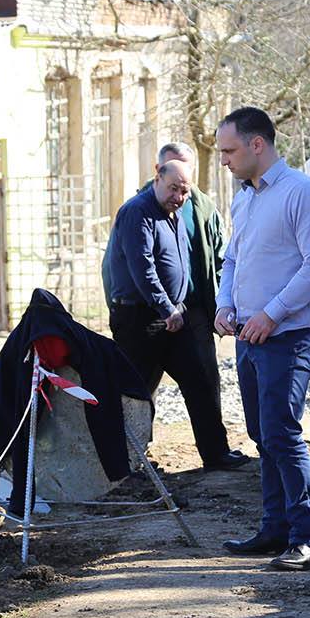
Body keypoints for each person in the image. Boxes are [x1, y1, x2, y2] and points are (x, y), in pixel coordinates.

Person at [213, 106, 310, 572]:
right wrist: (226, 305)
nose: (224, 160)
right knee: (263, 434)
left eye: (229, 150)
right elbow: (232, 261)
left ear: (256, 144)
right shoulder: (243, 198)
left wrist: (272, 314)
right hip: (248, 333)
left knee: (282, 433)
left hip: (289, 334)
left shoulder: (303, 194)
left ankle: (307, 536)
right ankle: (275, 527)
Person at [106, 157, 245, 470]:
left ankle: (216, 453)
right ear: (157, 177)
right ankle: (125, 462)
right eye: (173, 189)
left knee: (200, 381)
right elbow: (142, 268)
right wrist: (166, 307)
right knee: (134, 392)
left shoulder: (176, 213)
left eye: (184, 191)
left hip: (175, 317)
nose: (179, 197)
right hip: (141, 321)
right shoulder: (137, 212)